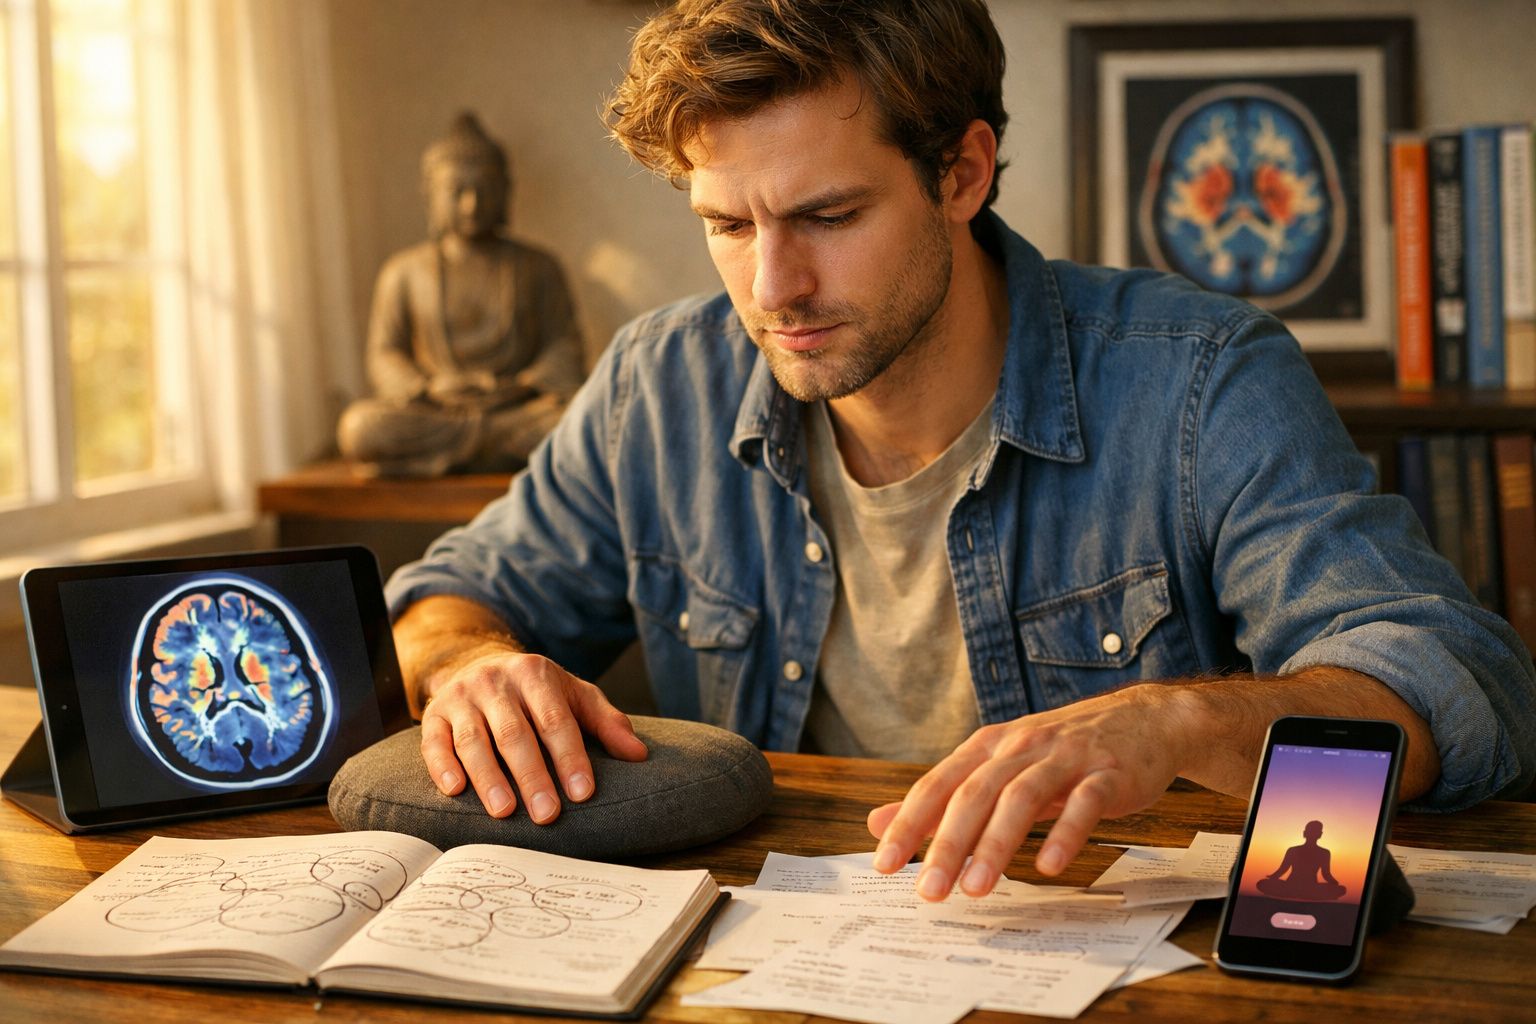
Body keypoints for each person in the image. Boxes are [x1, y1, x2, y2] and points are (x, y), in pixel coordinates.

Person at [384, 0, 1536, 902]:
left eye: (828, 217)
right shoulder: (660, 382)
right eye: (728, 226)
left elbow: (1459, 683)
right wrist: (472, 666)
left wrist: (1181, 719)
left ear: (963, 173)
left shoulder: (1198, 377)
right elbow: (448, 598)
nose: (772, 287)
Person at [337, 112, 585, 477]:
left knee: (585, 416)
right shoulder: (403, 271)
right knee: (359, 428)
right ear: (431, 195)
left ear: (504, 192)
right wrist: (428, 387)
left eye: (484, 191)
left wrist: (522, 383)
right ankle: (499, 447)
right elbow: (384, 353)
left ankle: (475, 447)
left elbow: (565, 345)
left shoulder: (538, 266)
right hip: (438, 411)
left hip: (516, 408)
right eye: (457, 192)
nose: (472, 205)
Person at [1256, 821, 1346, 901]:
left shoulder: (1324, 853)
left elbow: (1326, 874)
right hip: (1299, 887)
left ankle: (1293, 894)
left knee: (1341, 889)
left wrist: (1334, 884)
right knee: (1262, 883)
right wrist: (1334, 885)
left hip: (1299, 888)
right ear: (1320, 835)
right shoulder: (1294, 850)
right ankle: (1308, 895)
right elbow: (1283, 869)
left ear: (1305, 833)